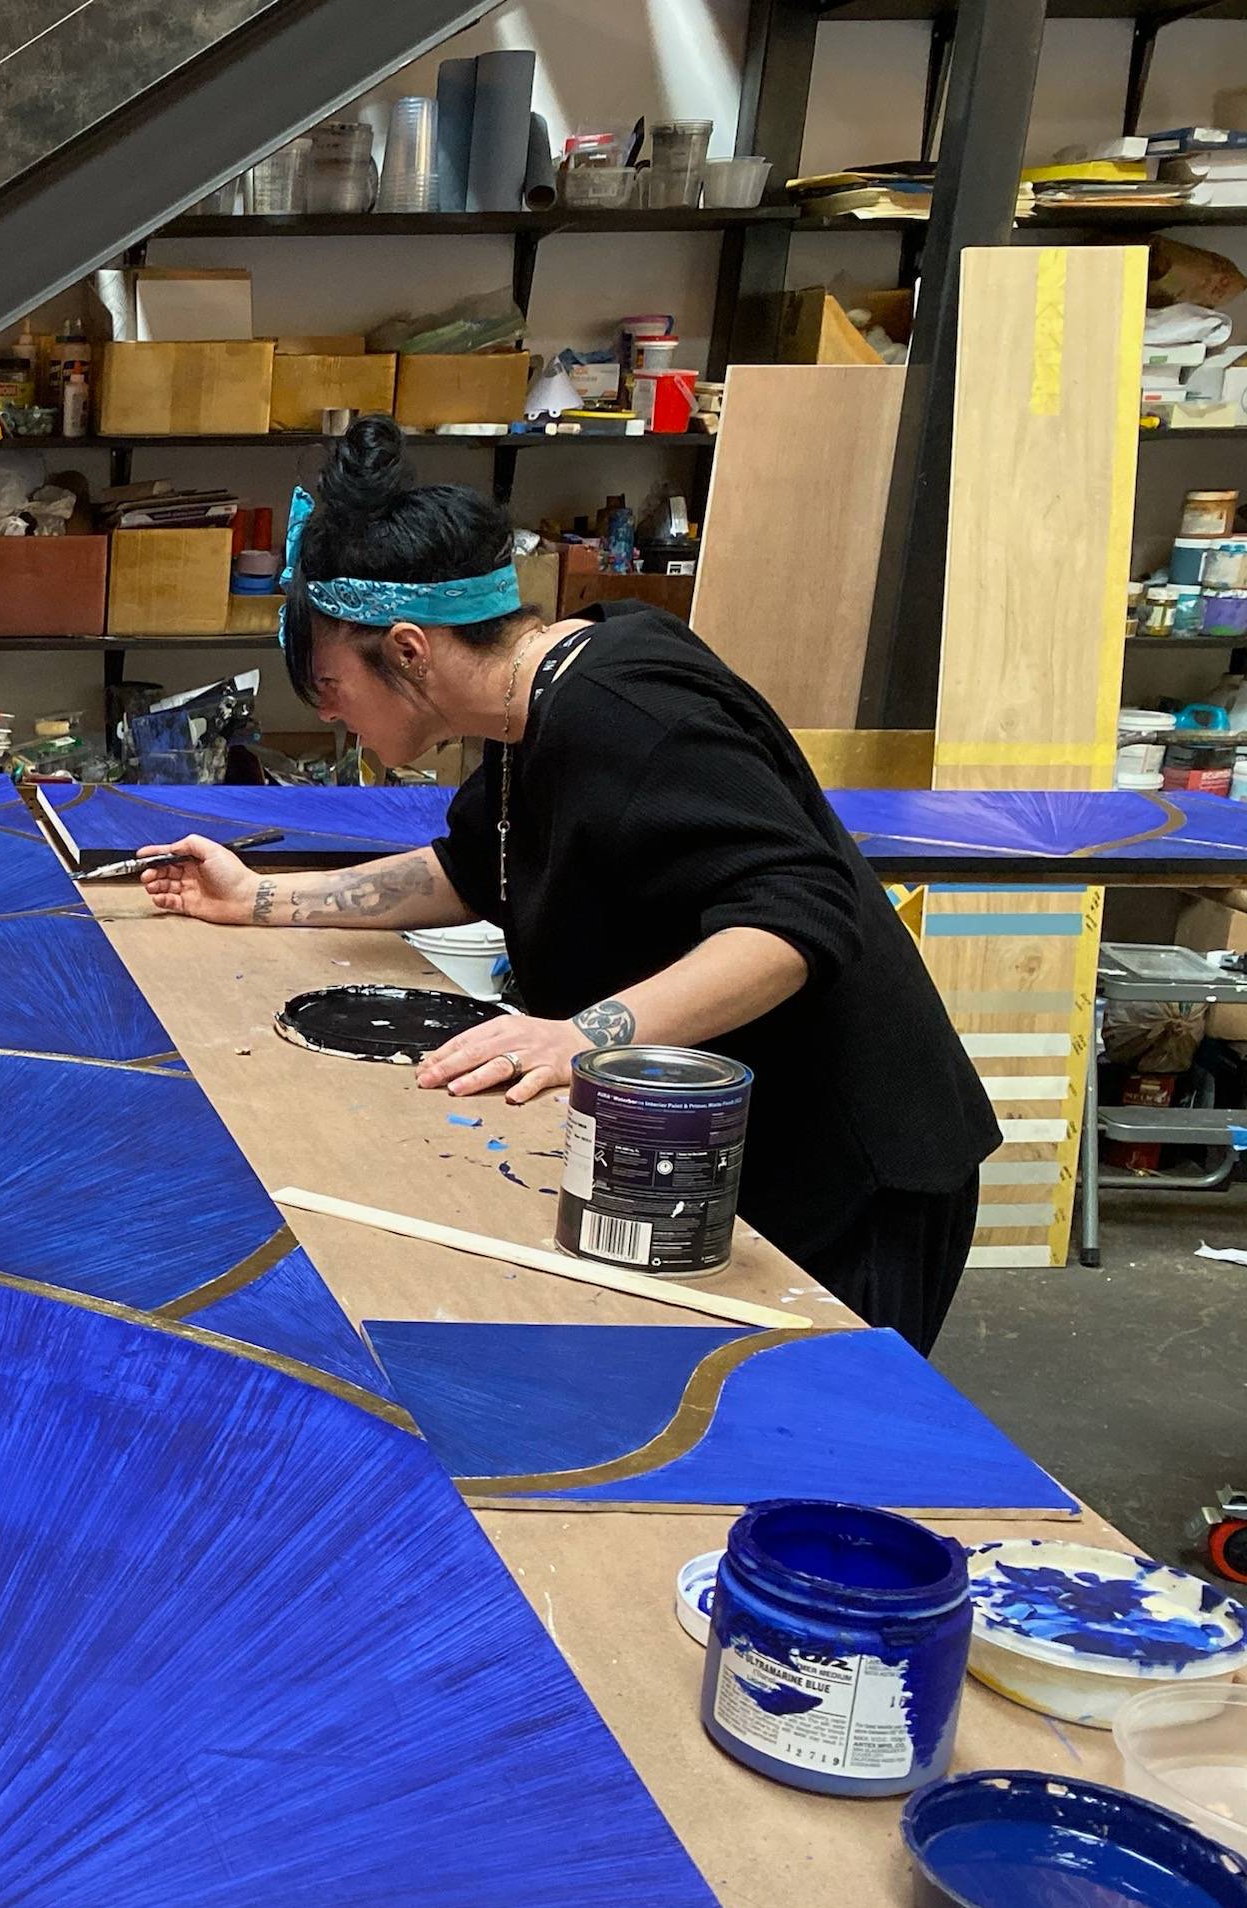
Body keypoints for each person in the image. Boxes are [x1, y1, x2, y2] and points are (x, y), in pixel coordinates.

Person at [137, 418, 998, 1351]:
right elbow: (471, 869)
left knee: (804, 1445)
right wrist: (256, 898)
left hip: (850, 1163)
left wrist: (580, 1035)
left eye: (332, 684)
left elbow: (793, 918)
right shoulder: (532, 717)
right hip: (713, 1136)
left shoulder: (625, 711)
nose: (331, 713)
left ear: (411, 650)